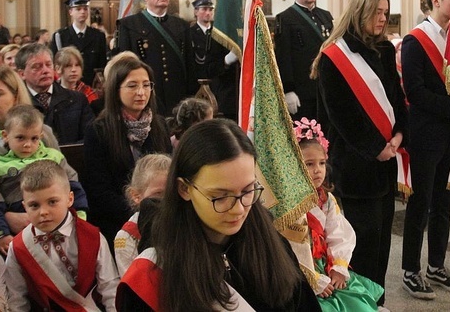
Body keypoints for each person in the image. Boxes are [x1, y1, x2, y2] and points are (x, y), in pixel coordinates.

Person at [116, 119, 320, 311]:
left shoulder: (271, 244)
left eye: (248, 191)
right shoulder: (155, 273)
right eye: (220, 196)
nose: (238, 209)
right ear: (184, 189)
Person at [312, 0, 407, 306]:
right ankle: (358, 303)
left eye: (386, 12)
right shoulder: (335, 57)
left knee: (381, 240)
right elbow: (342, 116)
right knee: (358, 242)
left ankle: (376, 300)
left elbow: (397, 100)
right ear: (360, 12)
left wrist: (398, 136)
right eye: (377, 12)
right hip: (354, 163)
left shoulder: (383, 50)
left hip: (385, 159)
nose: (383, 19)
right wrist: (374, 147)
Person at [400, 0, 450, 299]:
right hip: (425, 134)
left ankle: (436, 265)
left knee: (443, 203)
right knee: (421, 203)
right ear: (436, 0)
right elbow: (414, 92)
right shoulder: (416, 40)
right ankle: (410, 269)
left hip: (449, 132)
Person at [290, 118, 384, 310]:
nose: (318, 170)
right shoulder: (289, 206)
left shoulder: (327, 199)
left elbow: (339, 233)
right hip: (300, 272)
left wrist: (339, 268)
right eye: (309, 164)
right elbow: (289, 247)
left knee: (359, 303)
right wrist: (312, 278)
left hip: (326, 265)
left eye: (322, 163)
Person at [4, 160, 119, 310]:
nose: (43, 212)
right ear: (24, 206)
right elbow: (16, 299)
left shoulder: (92, 237)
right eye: (34, 205)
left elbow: (110, 288)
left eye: (52, 202)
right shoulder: (18, 247)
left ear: (70, 199)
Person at [0, 105, 88, 255]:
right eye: (20, 138)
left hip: (60, 222)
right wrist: (0, 234)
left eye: (34, 138)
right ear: (5, 135)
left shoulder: (53, 157)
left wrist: (80, 219)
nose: (28, 144)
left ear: (41, 135)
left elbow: (73, 188)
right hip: (17, 230)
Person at [83, 56, 170, 245]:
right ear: (115, 90)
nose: (141, 92)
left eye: (147, 85)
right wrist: (139, 214)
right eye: (132, 86)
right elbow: (100, 192)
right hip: (117, 221)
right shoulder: (99, 131)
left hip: (160, 217)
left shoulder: (159, 125)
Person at [117, 0, 192, 115]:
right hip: (145, 101)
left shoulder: (182, 26)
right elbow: (123, 70)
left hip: (177, 101)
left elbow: (190, 68)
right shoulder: (129, 26)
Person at [275, 0, 334, 121]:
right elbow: (284, 57)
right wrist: (288, 90)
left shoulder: (325, 16)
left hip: (326, 87)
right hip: (303, 91)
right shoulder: (285, 18)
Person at [16, 43, 93, 145]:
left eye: (48, 65)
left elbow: (90, 137)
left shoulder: (77, 100)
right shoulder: (17, 103)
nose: (45, 71)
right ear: (22, 74)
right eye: (37, 67)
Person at [114, 153, 170, 275]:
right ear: (136, 196)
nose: (166, 201)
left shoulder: (186, 222)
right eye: (158, 194)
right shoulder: (126, 237)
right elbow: (132, 282)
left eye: (171, 193)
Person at [188, 0, 238, 120]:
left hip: (221, 84)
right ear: (196, 11)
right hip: (199, 84)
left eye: (210, 10)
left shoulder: (220, 33)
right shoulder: (190, 33)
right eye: (204, 9)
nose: (208, 13)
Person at [50, 0, 108, 86]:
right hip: (68, 85)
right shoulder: (60, 36)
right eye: (78, 9)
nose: (82, 12)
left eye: (85, 9)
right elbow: (55, 64)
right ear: (70, 12)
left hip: (91, 85)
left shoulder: (98, 36)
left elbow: (102, 65)